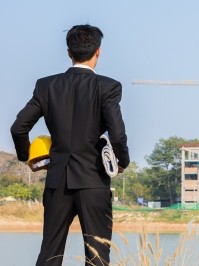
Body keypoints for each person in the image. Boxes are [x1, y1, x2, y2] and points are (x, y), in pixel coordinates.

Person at [10, 24, 130, 266]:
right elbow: (117, 135)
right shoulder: (107, 87)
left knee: (49, 254)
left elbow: (18, 128)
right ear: (98, 51)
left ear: (69, 52)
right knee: (98, 256)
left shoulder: (46, 86)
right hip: (93, 181)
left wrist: (29, 158)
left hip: (57, 182)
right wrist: (121, 162)